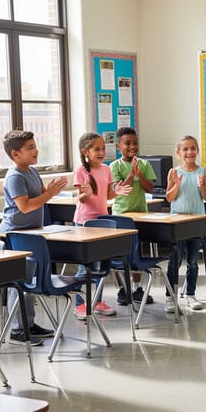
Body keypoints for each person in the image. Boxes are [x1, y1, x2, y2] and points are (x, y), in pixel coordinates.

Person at [0, 130, 69, 345]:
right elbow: (25, 206)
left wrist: (51, 190)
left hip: (32, 233)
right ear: (15, 154)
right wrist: (50, 194)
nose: (36, 150)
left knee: (29, 284)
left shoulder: (32, 171)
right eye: (30, 148)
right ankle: (18, 331)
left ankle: (28, 324)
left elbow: (40, 194)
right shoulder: (15, 177)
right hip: (16, 235)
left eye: (34, 146)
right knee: (20, 283)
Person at [73, 132, 132, 320]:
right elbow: (79, 199)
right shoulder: (81, 171)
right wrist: (86, 193)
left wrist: (117, 192)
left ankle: (96, 301)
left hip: (103, 220)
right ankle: (81, 304)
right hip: (84, 222)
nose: (101, 152)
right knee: (85, 265)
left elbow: (107, 196)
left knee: (101, 263)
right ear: (85, 152)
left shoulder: (106, 169)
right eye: (97, 149)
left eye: (103, 148)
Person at [109, 127, 155, 307]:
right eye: (127, 143)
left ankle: (137, 287)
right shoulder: (115, 166)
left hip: (141, 214)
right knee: (121, 253)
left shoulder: (144, 164)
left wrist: (139, 174)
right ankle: (122, 288)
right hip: (121, 215)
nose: (132, 146)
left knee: (138, 250)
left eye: (135, 143)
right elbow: (118, 189)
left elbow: (149, 188)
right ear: (119, 146)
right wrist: (131, 174)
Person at [165, 135, 206, 312]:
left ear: (197, 151)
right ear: (178, 152)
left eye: (193, 148)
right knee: (174, 261)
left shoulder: (203, 172)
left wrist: (202, 186)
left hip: (196, 222)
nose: (189, 152)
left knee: (192, 261)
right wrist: (176, 184)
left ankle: (190, 295)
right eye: (185, 149)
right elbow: (169, 198)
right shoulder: (174, 172)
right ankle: (170, 296)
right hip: (178, 222)